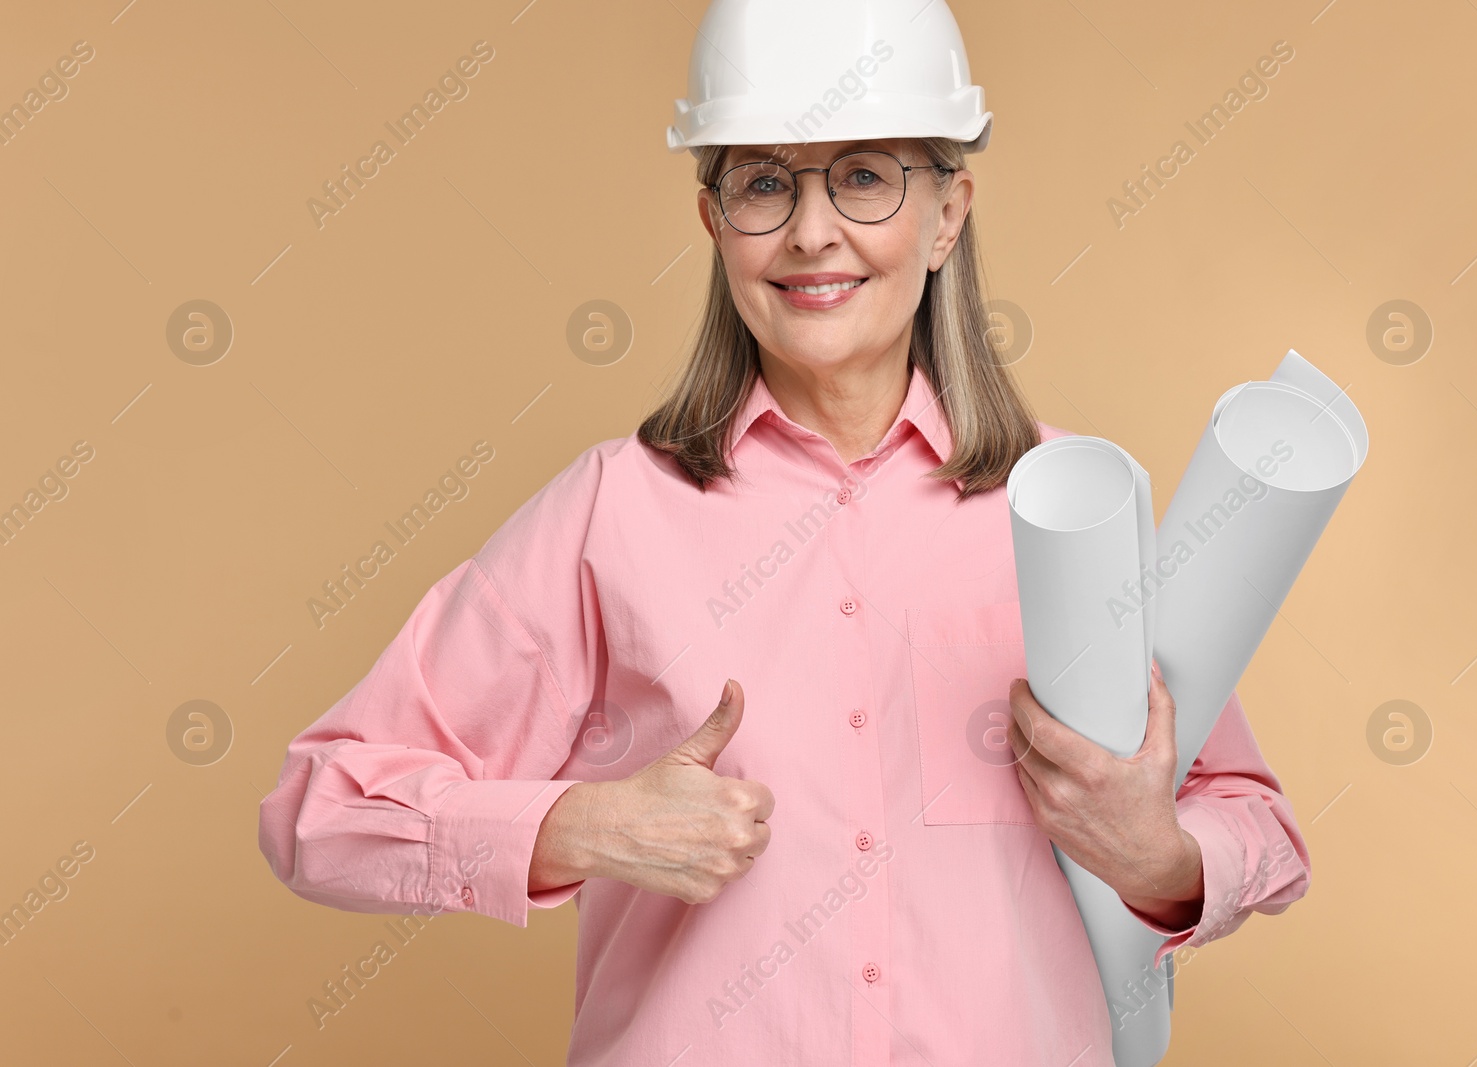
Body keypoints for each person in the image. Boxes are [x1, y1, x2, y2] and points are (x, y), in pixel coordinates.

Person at [258, 2, 1310, 1063]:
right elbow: (321, 806)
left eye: (863, 175)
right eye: (765, 180)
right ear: (714, 221)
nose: (811, 232)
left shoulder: (1069, 507)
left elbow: (1258, 826)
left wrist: (1159, 855)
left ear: (948, 213)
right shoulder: (612, 512)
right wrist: (577, 825)